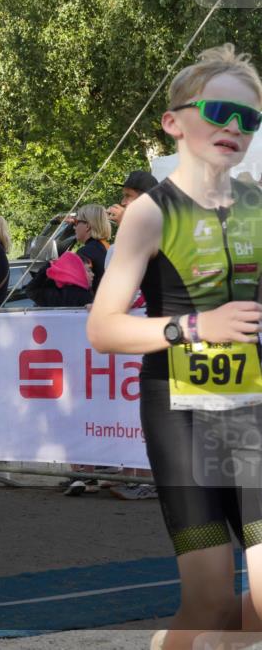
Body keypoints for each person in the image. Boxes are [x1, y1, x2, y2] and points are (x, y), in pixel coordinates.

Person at [87, 44, 262, 650]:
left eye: (249, 119)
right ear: (173, 122)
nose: (233, 129)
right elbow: (103, 329)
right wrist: (193, 328)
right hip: (180, 416)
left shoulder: (259, 206)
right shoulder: (149, 214)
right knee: (211, 605)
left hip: (252, 415)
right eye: (219, 112)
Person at [25, 251, 93, 308]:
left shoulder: (54, 294)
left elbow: (30, 290)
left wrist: (48, 266)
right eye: (89, 271)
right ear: (77, 271)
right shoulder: (85, 296)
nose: (93, 274)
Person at [72, 204, 112, 292]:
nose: (74, 227)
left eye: (76, 222)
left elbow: (78, 290)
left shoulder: (85, 252)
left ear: (87, 226)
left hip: (95, 303)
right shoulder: (108, 247)